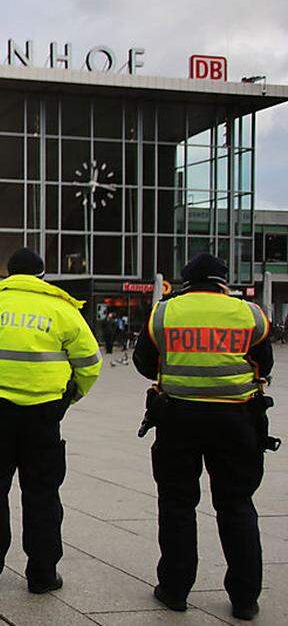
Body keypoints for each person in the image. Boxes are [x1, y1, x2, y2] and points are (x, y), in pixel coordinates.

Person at [0, 248, 101, 594]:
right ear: (42, 275)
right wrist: (68, 398)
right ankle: (43, 575)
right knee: (43, 494)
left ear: (9, 273)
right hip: (43, 415)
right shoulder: (61, 308)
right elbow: (91, 363)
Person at [133, 253, 273, 621]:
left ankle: (175, 590)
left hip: (178, 418)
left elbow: (145, 362)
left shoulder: (165, 312)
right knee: (237, 505)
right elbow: (264, 364)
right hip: (237, 419)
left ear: (186, 280)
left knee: (177, 504)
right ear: (223, 282)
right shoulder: (251, 314)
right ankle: (245, 599)